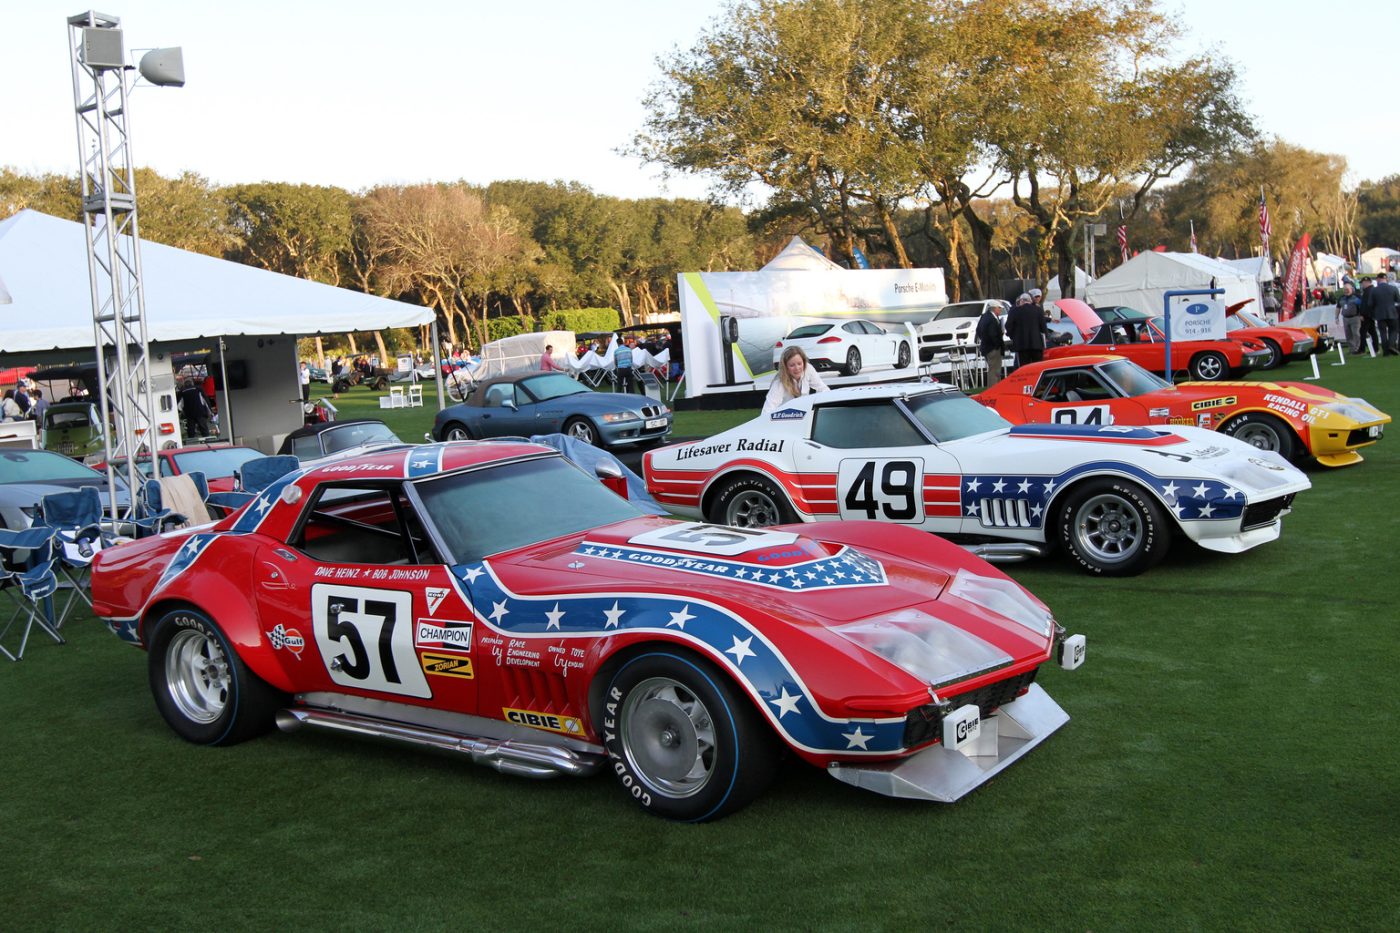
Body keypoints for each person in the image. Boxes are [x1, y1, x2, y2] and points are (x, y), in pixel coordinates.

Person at [763, 346, 830, 415]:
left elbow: (823, 389)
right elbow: (768, 409)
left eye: (799, 363)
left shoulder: (808, 368)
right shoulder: (779, 382)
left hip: (805, 414)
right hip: (784, 417)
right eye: (792, 365)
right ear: (785, 367)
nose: (797, 368)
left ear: (804, 362)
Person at [1005, 293, 1050, 370]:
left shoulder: (1015, 311)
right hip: (1037, 344)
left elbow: (1008, 326)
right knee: (1038, 368)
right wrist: (1046, 336)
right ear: (1030, 301)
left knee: (1024, 369)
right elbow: (1043, 326)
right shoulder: (1038, 310)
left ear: (1021, 301)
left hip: (1022, 345)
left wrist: (1012, 336)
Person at [976, 302, 1007, 387]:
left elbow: (978, 331)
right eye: (999, 308)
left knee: (993, 369)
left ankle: (996, 388)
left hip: (986, 347)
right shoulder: (991, 319)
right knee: (995, 371)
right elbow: (993, 334)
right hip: (993, 348)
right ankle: (994, 389)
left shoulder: (984, 317)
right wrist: (997, 345)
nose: (1000, 310)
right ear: (995, 308)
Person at [1374, 274, 1400, 355]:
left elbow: (1370, 303)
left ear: (1378, 279)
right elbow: (1398, 300)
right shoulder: (1393, 288)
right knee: (1393, 330)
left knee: (1383, 332)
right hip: (1392, 312)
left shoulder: (1374, 290)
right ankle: (1391, 345)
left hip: (1380, 313)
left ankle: (1386, 351)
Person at [1337, 284, 1363, 354]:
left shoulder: (1356, 297)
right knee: (1348, 334)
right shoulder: (1341, 298)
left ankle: (1357, 348)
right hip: (1345, 318)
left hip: (1355, 317)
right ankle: (1352, 349)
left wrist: (1361, 315)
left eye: (1348, 289)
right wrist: (1336, 317)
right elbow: (1338, 307)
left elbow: (1361, 306)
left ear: (1351, 289)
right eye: (1345, 290)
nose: (1346, 291)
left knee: (1356, 333)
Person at [1359, 278, 1380, 353]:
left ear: (1366, 282)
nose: (1361, 285)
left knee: (1363, 331)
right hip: (1370, 314)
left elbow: (1366, 304)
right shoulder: (1371, 290)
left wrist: (1362, 314)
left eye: (1362, 283)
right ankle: (1375, 348)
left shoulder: (1368, 291)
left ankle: (1362, 349)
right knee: (1372, 331)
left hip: (1367, 315)